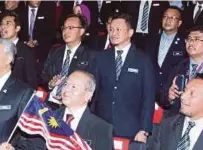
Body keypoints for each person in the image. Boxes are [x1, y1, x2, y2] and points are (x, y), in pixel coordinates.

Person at [92, 13, 155, 142]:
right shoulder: (100, 58)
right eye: (111, 29)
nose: (113, 33)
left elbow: (148, 97)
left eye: (118, 30)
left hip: (131, 129)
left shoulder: (143, 60)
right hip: (102, 126)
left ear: (130, 32)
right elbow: (94, 92)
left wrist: (144, 130)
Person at [160, 25, 203, 125]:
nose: (191, 42)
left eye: (196, 39)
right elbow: (162, 99)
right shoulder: (177, 66)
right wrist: (169, 97)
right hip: (176, 124)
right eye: (189, 39)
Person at [43, 14, 96, 106]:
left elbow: (91, 86)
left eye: (71, 28)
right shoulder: (55, 51)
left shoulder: (90, 55)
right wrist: (50, 84)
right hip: (51, 103)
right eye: (64, 28)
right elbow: (43, 76)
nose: (66, 31)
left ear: (81, 31)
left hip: (72, 106)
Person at [144, 6, 187, 100]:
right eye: (165, 17)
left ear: (179, 23)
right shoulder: (149, 40)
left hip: (171, 94)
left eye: (172, 18)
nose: (168, 20)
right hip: (149, 91)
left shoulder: (185, 43)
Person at [0, 11, 38, 89]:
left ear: (17, 28)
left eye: (7, 23)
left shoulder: (27, 51)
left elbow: (32, 82)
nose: (3, 27)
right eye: (1, 24)